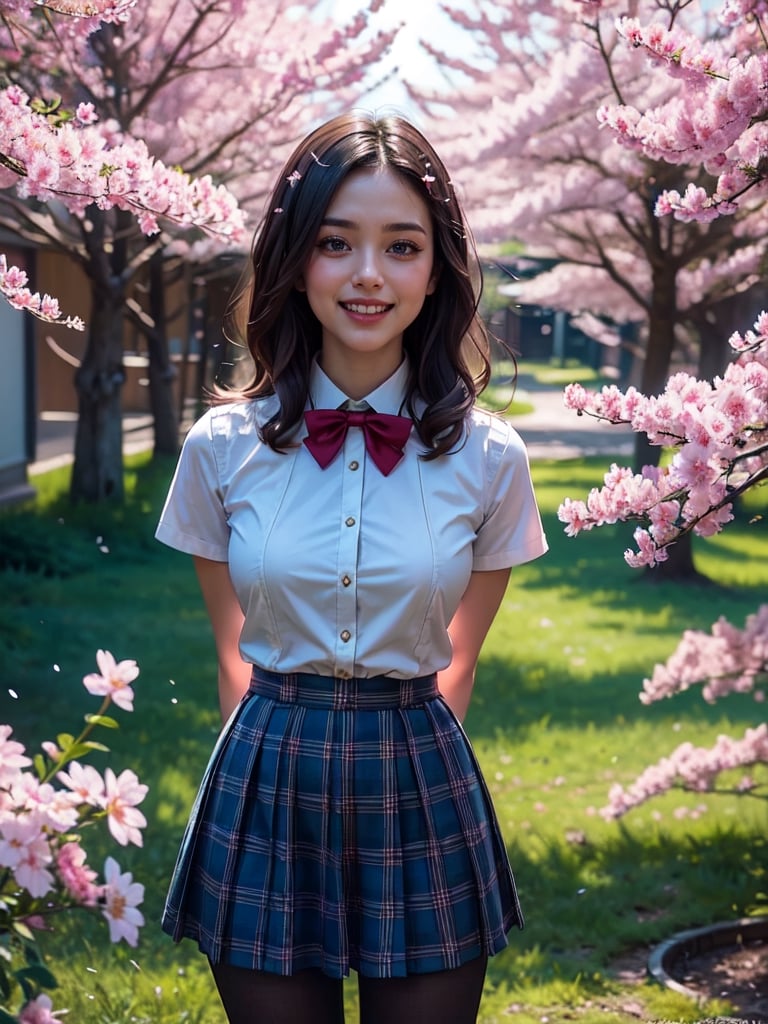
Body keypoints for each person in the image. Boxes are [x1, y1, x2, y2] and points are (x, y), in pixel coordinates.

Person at [156, 111, 548, 1024]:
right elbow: (230, 656)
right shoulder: (222, 448)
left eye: (401, 246)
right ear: (296, 260)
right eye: (337, 242)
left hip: (418, 774)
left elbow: (461, 659)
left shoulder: (491, 459)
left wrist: (404, 771)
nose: (369, 275)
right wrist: (258, 785)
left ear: (435, 270)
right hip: (266, 771)